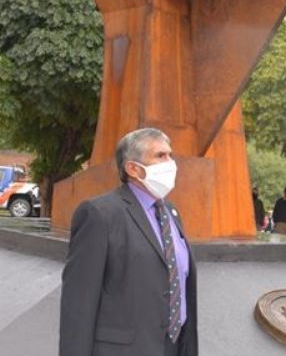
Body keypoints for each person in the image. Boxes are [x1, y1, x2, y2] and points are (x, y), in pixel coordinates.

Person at [59, 128, 197, 356]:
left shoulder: (171, 212)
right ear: (133, 168)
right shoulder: (99, 214)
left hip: (174, 346)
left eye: (170, 155)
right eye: (161, 156)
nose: (171, 163)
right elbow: (78, 304)